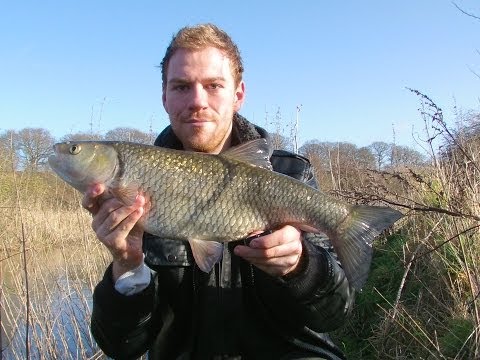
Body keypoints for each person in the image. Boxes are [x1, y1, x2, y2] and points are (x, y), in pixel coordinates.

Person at [83, 23, 355, 360]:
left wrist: (301, 266)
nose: (197, 101)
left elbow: (336, 315)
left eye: (213, 86)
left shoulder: (289, 174)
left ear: (238, 94)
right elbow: (122, 347)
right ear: (164, 97)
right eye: (181, 86)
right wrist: (126, 265)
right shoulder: (139, 184)